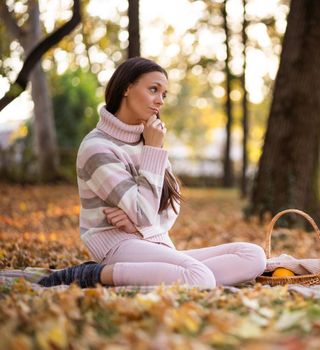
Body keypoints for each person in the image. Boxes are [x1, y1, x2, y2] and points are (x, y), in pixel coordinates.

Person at [39, 57, 266, 288]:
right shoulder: (97, 147)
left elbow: (171, 205)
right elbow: (145, 213)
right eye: (153, 90)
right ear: (127, 88)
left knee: (252, 255)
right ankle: (91, 274)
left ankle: (170, 273)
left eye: (164, 94)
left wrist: (136, 224)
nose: (160, 101)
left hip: (154, 242)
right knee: (200, 277)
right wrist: (152, 152)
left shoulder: (148, 140)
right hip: (118, 247)